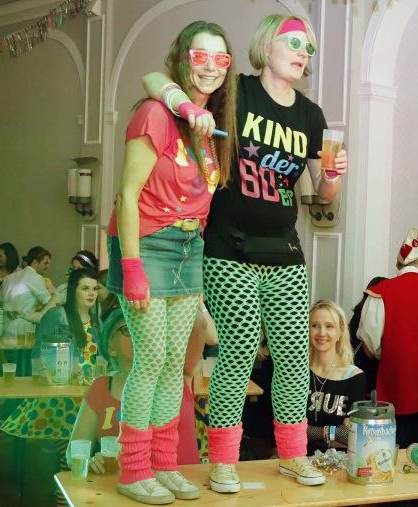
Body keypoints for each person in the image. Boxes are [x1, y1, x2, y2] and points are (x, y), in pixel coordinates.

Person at [142, 14, 348, 493]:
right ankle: (223, 461)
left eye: (309, 48)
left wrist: (335, 174)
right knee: (237, 351)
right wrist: (183, 104)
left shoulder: (310, 115)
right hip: (228, 247)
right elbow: (154, 80)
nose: (302, 53)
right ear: (266, 45)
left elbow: (323, 192)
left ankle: (293, 455)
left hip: (284, 250)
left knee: (293, 355)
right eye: (293, 42)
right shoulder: (237, 91)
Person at [108, 20, 239, 503]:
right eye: (200, 56)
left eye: (220, 59)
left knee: (176, 366)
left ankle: (164, 465)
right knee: (150, 360)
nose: (210, 67)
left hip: (190, 249)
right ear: (183, 59)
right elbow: (127, 195)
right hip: (148, 244)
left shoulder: (209, 129)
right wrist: (132, 267)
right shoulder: (155, 113)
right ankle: (132, 470)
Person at [0, 268, 101, 506]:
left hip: (87, 397)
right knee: (72, 459)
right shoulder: (58, 315)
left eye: (95, 288)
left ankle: (76, 500)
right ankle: (65, 502)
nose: (91, 293)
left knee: (84, 459)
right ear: (73, 291)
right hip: (61, 399)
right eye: (85, 288)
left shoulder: (96, 320)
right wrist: (58, 374)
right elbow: (38, 356)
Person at [68, 311, 200, 476]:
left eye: (147, 328)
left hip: (186, 484)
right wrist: (91, 461)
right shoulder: (101, 387)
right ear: (110, 347)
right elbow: (73, 451)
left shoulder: (177, 375)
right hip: (127, 484)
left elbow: (200, 324)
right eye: (127, 329)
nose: (139, 332)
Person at [358, 228, 418, 447]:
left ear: (397, 266)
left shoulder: (380, 292)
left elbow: (370, 340)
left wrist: (389, 353)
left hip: (395, 382)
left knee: (395, 444)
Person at [307, 300, 365, 454]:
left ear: (340, 332)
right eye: (315, 325)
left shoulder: (355, 377)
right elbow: (289, 427)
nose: (321, 333)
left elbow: (349, 435)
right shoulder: (297, 372)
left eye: (329, 326)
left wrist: (309, 432)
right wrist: (333, 433)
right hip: (299, 457)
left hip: (340, 462)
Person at [0, 246, 58, 335]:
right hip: (22, 329)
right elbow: (49, 303)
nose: (47, 267)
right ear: (35, 262)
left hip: (4, 328)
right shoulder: (35, 278)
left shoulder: (8, 278)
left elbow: (1, 303)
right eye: (45, 263)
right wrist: (54, 293)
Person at [347, 276, 386, 398]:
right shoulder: (372, 316)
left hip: (356, 363)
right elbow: (369, 351)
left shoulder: (358, 312)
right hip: (368, 365)